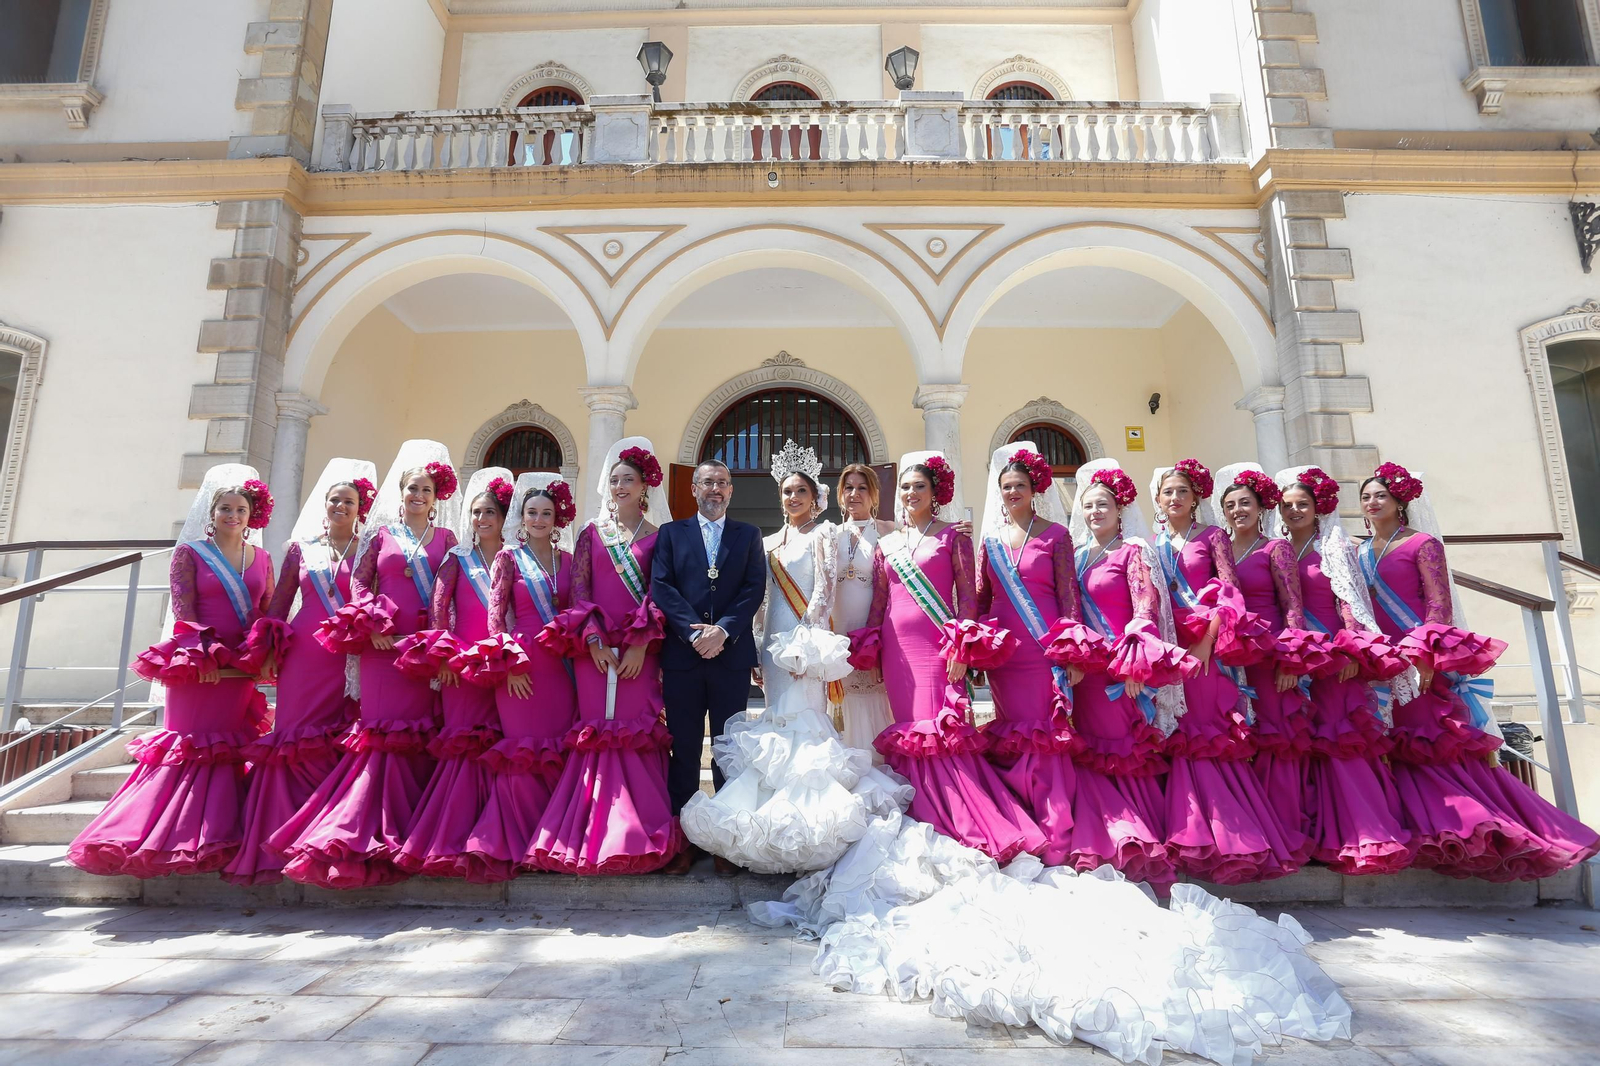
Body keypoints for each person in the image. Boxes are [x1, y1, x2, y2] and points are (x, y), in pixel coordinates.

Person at [1359, 462, 1599, 880]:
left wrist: (1426, 656)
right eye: (1365, 497)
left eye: (1380, 495)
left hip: (1418, 657)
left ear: (1399, 501)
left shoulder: (1422, 543)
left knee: (1426, 741)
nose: (1372, 502)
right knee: (1394, 742)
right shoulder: (1360, 550)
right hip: (1381, 658)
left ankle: (1469, 826)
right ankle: (1422, 826)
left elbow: (1439, 604)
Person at [680, 441, 910, 874]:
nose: (793, 498)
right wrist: (757, 644)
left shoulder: (824, 534)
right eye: (787, 491)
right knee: (777, 723)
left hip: (805, 645)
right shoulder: (767, 541)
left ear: (814, 497)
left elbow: (825, 588)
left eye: (800, 491)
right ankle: (768, 819)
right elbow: (761, 598)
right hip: (773, 645)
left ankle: (808, 823)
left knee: (805, 722)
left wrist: (807, 639)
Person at [70, 466, 285, 877]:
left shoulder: (263, 559)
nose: (233, 515)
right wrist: (202, 656)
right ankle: (161, 836)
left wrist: (265, 652)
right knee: (190, 744)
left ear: (251, 515)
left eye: (240, 509)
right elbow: (183, 611)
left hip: (240, 668)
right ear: (212, 512)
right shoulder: (191, 553)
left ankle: (217, 833)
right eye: (225, 508)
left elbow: (267, 609)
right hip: (198, 665)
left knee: (228, 746)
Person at [271, 440, 460, 888]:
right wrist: (371, 620)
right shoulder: (380, 536)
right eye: (412, 488)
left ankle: (412, 830)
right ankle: (361, 831)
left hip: (420, 648)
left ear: (436, 497)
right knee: (379, 736)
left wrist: (439, 639)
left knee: (417, 736)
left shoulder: (448, 541)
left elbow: (447, 594)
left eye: (426, 489)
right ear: (401, 493)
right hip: (380, 647)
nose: (418, 495)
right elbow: (359, 582)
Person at [849, 450, 1046, 863]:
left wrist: (961, 646)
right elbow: (880, 602)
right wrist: (871, 646)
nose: (911, 493)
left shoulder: (954, 537)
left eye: (919, 486)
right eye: (905, 487)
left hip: (938, 648)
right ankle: (917, 808)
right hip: (898, 653)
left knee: (939, 729)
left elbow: (969, 600)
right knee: (909, 730)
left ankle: (954, 817)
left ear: (934, 492)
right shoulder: (888, 544)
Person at [528, 437, 683, 874]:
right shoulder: (592, 534)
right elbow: (579, 591)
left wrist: (640, 644)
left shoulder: (660, 537)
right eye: (614, 480)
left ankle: (638, 830)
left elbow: (659, 593)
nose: (620, 487)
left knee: (635, 731)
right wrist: (594, 639)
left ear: (644, 486)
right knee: (596, 731)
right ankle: (589, 831)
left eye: (628, 480)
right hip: (593, 651)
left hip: (640, 650)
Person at [1149, 459, 1304, 884]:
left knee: (1203, 732)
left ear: (1195, 498)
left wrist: (1206, 642)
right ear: (1158, 500)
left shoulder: (1213, 536)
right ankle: (1185, 830)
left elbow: (1229, 591)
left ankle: (1226, 836)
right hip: (1168, 647)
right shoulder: (1152, 542)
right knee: (1176, 731)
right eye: (1168, 492)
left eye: (1183, 491)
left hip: (1204, 647)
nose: (1175, 498)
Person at [224, 459, 376, 885]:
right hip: (305, 654)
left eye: (348, 501)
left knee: (341, 736)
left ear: (360, 508)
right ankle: (282, 834)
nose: (340, 506)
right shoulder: (300, 548)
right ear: (323, 504)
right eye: (334, 500)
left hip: (351, 655)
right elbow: (279, 603)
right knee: (295, 737)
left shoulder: (370, 549)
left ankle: (328, 833)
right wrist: (267, 652)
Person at [1271, 465, 1412, 875]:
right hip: (1295, 657)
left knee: (1339, 740)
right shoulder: (1279, 548)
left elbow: (1349, 600)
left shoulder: (1332, 546)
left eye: (1302, 504)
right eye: (1287, 506)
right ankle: (1317, 834)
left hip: (1333, 657)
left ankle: (1361, 833)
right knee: (1305, 743)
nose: (1294, 511)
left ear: (1318, 508)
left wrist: (1351, 651)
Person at [1062, 460, 1195, 884]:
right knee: (1093, 752)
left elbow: (1145, 609)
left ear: (1119, 509)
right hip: (1088, 674)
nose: (1095, 512)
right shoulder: (1077, 555)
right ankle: (1104, 839)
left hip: (1121, 672)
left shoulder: (1134, 551)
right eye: (1088, 506)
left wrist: (1135, 665)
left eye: (1102, 504)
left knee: (1123, 752)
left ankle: (1138, 842)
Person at [456, 473, 580, 881]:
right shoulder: (509, 558)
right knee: (523, 755)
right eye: (532, 513)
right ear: (521, 518)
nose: (539, 519)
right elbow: (495, 619)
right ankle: (519, 844)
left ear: (557, 519)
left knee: (557, 754)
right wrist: (508, 666)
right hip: (521, 667)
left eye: (546, 513)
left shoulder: (569, 561)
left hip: (561, 669)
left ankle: (553, 844)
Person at [393, 467, 515, 880]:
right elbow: (438, 610)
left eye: (490, 513)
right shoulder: (457, 558)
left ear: (503, 518)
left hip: (502, 664)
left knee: (498, 743)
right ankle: (451, 834)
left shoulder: (514, 557)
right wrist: (444, 659)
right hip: (463, 666)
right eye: (476, 512)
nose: (481, 519)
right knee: (463, 742)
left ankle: (493, 833)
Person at [650, 454, 767, 875]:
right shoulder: (671, 534)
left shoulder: (748, 534)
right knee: (684, 749)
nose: (714, 489)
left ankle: (725, 841)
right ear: (694, 489)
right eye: (707, 482)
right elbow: (661, 587)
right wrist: (694, 633)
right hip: (683, 657)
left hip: (730, 657)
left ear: (730, 490)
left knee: (726, 749)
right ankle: (684, 840)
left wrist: (724, 631)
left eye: (721, 483)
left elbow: (754, 588)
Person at [973, 442, 1084, 866]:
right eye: (1006, 486)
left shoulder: (1056, 535)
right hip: (1005, 654)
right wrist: (976, 651)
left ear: (1034, 489)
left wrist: (1071, 652)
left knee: (1045, 732)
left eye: (1019, 485)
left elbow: (1069, 597)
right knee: (1011, 734)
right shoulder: (990, 541)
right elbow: (981, 599)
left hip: (1042, 649)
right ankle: (1020, 823)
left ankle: (1054, 829)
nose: (1012, 492)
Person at [1214, 463, 1316, 872]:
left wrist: (1291, 658)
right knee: (1245, 739)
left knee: (1277, 738)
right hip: (1231, 657)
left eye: (1245, 503)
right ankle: (1255, 827)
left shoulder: (1276, 549)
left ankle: (1286, 830)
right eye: (1230, 505)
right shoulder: (1221, 548)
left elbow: (1293, 607)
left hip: (1270, 655)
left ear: (1260, 508)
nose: (1238, 510)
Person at [830, 464, 897, 754]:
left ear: (874, 493)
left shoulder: (890, 531)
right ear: (840, 494)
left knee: (874, 697)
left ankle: (876, 762)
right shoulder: (829, 534)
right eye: (848, 488)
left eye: (861, 488)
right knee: (842, 701)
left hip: (873, 631)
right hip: (837, 633)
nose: (854, 494)